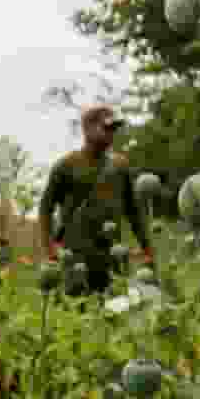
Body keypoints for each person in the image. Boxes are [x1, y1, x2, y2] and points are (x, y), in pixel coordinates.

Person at [38, 105, 154, 295]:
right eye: (107, 127)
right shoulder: (66, 165)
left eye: (114, 128)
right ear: (88, 129)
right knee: (76, 307)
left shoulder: (120, 166)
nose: (112, 133)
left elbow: (133, 211)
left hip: (112, 257)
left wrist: (147, 247)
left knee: (116, 306)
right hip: (75, 259)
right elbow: (45, 208)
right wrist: (49, 249)